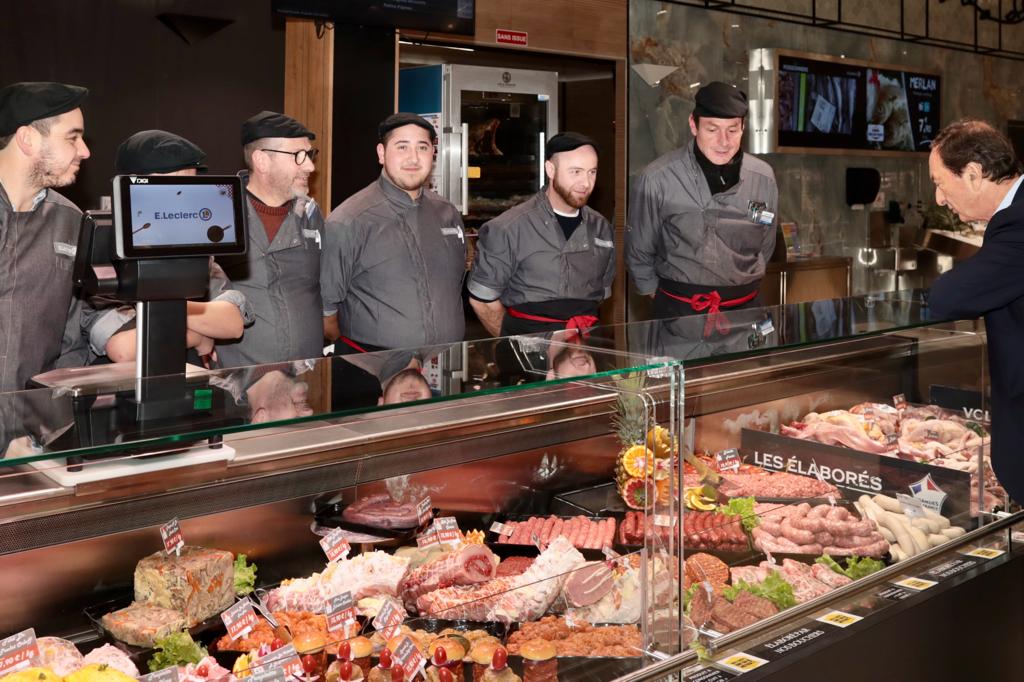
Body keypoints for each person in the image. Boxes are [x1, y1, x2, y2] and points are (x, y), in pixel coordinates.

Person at [80, 130, 252, 365]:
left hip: (186, 381)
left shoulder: (194, 245)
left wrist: (151, 308)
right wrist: (198, 336)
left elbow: (231, 323)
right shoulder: (105, 248)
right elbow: (124, 348)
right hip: (124, 389)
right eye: (172, 187)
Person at [625, 81, 779, 325]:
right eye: (712, 129)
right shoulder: (657, 178)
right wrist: (665, 300)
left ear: (743, 128)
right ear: (693, 125)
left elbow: (766, 240)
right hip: (679, 312)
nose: (723, 141)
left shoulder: (763, 177)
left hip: (746, 310)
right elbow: (639, 251)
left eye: (732, 130)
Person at [927, 119, 1024, 504]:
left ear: (973, 174)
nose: (938, 198)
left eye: (939, 182)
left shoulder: (1018, 223)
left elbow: (946, 298)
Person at [321, 112, 466, 353]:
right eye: (402, 147)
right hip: (370, 366)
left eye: (422, 147)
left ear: (433, 154)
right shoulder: (349, 221)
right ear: (381, 153)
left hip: (445, 363)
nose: (413, 158)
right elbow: (326, 312)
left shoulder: (447, 213)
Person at [467, 132, 614, 338]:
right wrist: (514, 345)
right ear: (550, 169)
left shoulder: (602, 228)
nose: (586, 183)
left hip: (584, 348)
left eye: (592, 172)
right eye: (576, 172)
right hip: (527, 348)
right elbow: (482, 300)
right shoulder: (509, 227)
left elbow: (602, 294)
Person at [214, 111, 325, 367]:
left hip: (307, 383)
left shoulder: (310, 213)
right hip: (243, 387)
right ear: (262, 160)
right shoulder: (219, 214)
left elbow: (325, 290)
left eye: (310, 154)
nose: (310, 166)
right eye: (299, 156)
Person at [0, 81, 91, 391]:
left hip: (32, 431)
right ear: (27, 138)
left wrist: (45, 420)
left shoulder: (71, 220)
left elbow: (72, 338)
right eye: (73, 138)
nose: (85, 151)